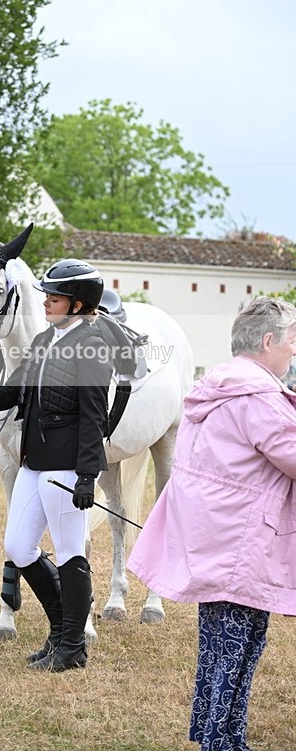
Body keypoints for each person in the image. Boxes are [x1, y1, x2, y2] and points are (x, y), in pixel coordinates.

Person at [127, 296, 296, 751]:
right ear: (268, 341)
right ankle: (223, 741)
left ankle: (213, 733)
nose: (294, 351)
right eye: (292, 341)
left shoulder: (218, 387)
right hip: (241, 542)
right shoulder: (258, 399)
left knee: (219, 648)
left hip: (214, 537)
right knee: (238, 649)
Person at [0, 259, 114, 672]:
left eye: (56, 296)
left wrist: (88, 475)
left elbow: (93, 417)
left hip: (67, 466)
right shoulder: (46, 340)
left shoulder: (93, 346)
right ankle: (57, 630)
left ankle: (73, 647)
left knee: (69, 553)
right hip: (34, 462)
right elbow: (14, 390)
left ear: (79, 303)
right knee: (18, 546)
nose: (46, 301)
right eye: (47, 294)